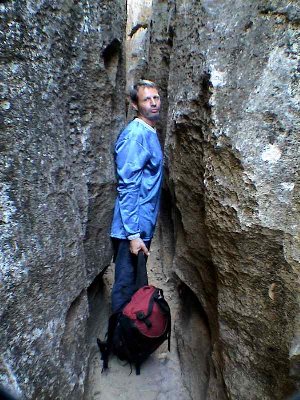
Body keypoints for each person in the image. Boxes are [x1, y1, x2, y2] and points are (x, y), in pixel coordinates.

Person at [110, 79, 163, 313]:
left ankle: (132, 341)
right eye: (146, 99)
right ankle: (118, 343)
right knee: (126, 287)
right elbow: (128, 186)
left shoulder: (149, 131)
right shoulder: (135, 136)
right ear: (134, 104)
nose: (153, 103)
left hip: (142, 225)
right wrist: (133, 234)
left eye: (156, 97)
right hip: (132, 229)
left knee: (135, 287)